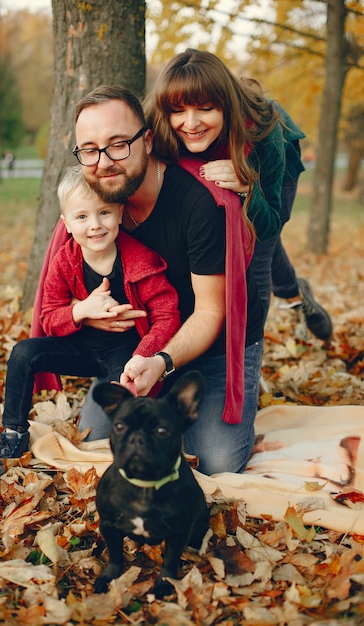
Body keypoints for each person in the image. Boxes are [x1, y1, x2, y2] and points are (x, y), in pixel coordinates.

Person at [65, 74, 282, 475]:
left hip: (216, 343)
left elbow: (210, 313)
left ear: (147, 141)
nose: (104, 162)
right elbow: (65, 288)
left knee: (214, 463)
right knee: (93, 445)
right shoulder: (94, 205)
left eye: (118, 144)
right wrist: (84, 310)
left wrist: (161, 362)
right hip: (144, 341)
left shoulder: (198, 202)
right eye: (90, 150)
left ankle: (239, 394)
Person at [0, 165, 181, 478]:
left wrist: (144, 356)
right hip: (81, 349)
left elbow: (167, 313)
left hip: (126, 351)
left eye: (104, 213)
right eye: (82, 217)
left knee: (122, 400)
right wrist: (82, 310)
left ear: (119, 212)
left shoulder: (139, 259)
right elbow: (48, 316)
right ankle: (13, 437)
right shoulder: (65, 260)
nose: (94, 226)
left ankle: (135, 458)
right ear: (66, 222)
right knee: (23, 352)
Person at [240, 79, 332, 341]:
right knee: (263, 241)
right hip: (244, 166)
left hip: (280, 169)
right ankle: (295, 293)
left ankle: (251, 353)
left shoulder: (260, 120)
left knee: (259, 249)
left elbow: (268, 226)